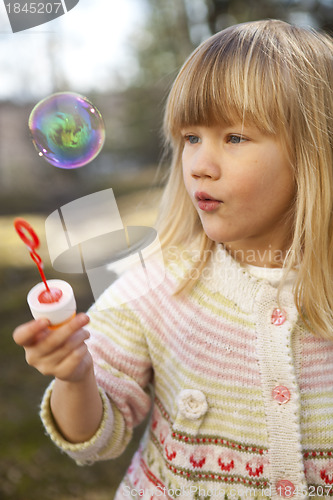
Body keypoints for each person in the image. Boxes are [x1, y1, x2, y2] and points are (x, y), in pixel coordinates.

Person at [13, 19, 333, 500]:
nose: (200, 164)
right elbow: (93, 436)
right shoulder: (156, 282)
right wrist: (75, 376)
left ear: (312, 153)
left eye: (234, 138)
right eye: (190, 137)